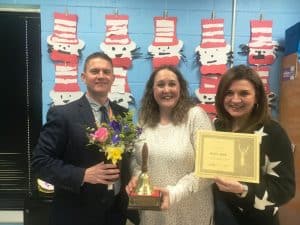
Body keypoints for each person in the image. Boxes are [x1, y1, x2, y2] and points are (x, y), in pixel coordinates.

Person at [31, 52, 139, 225]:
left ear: (113, 78)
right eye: (95, 71)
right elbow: (40, 162)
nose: (101, 76)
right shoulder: (63, 114)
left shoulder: (122, 114)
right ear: (83, 77)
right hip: (76, 214)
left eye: (106, 72)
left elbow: (127, 157)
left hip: (115, 213)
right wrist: (82, 175)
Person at [126, 65, 214, 225]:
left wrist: (174, 193)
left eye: (172, 84)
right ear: (152, 90)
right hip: (153, 211)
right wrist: (136, 176)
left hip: (190, 211)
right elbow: (137, 159)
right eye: (160, 85)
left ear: (181, 88)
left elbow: (209, 168)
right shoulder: (144, 120)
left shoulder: (196, 116)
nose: (166, 89)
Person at [213, 64, 295, 225]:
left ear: (257, 96)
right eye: (229, 93)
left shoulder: (274, 132)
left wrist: (243, 190)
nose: (235, 99)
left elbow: (285, 190)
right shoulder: (216, 127)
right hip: (219, 217)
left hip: (258, 220)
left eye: (244, 93)